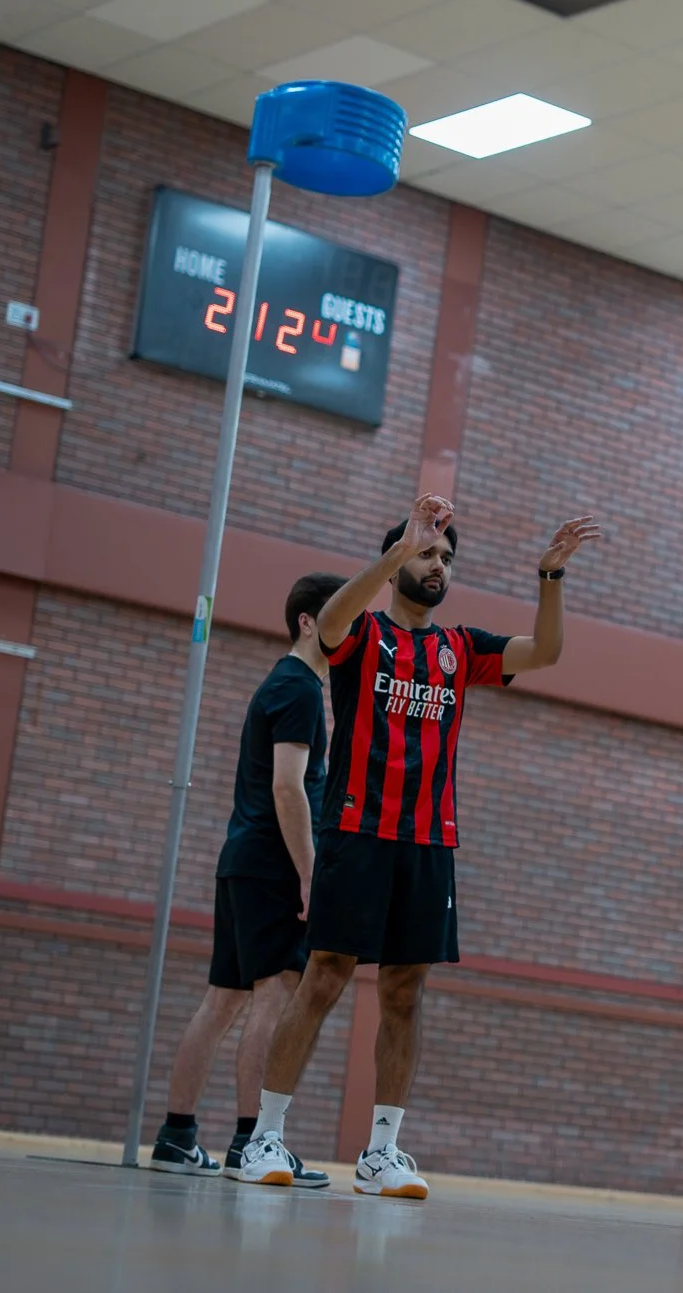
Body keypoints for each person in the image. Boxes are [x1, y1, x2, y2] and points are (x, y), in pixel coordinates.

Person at [240, 495, 600, 1199]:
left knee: (406, 992)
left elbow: (546, 652)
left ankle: (381, 1152)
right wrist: (397, 549)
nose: (438, 566)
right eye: (428, 553)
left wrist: (550, 578)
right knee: (325, 976)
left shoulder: (460, 649)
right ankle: (266, 1136)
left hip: (429, 842)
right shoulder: (361, 631)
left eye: (446, 558)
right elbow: (336, 617)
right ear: (401, 557)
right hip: (355, 832)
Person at [148, 573, 346, 1187]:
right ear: (309, 621)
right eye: (341, 617)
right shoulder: (298, 687)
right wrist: (310, 872)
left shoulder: (288, 684)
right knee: (276, 993)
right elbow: (288, 786)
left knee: (224, 998)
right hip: (273, 862)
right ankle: (250, 1144)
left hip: (244, 858)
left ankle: (177, 1138)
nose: (352, 629)